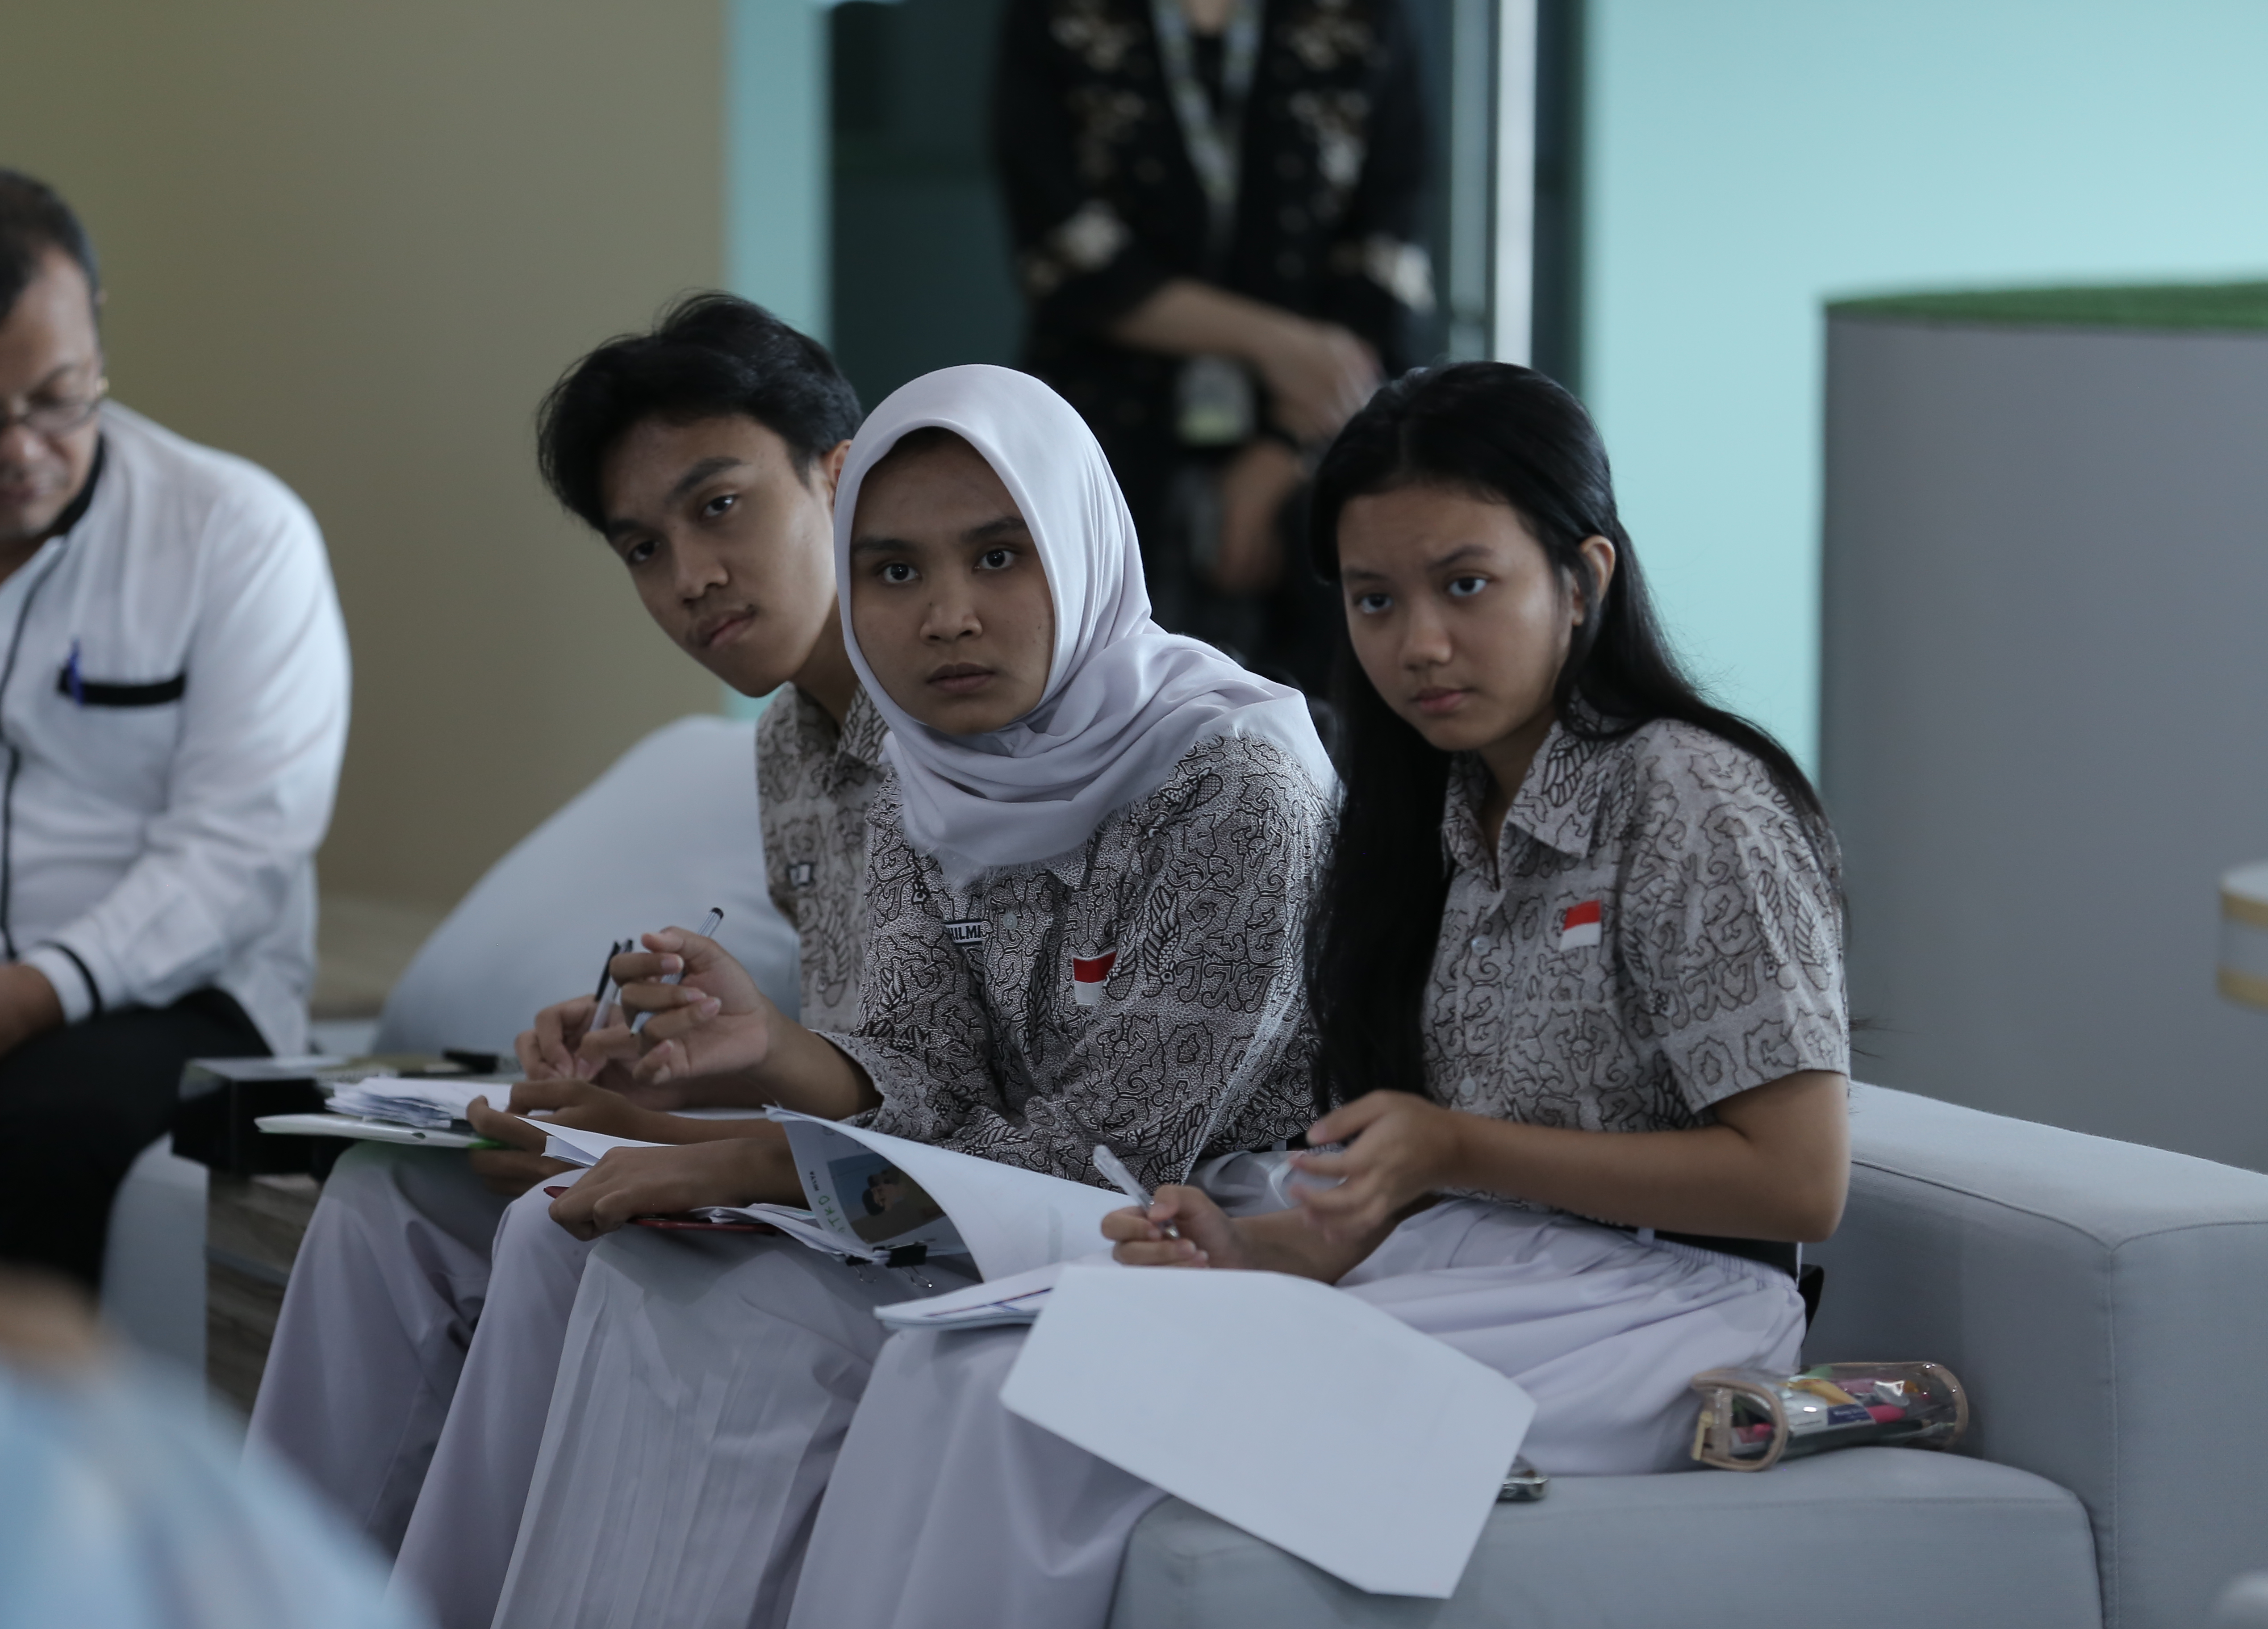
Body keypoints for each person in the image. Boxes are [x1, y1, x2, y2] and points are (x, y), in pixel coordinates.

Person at [787, 361, 1852, 1628]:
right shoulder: (1432, 813)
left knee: (1041, 1406)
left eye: (1466, 585)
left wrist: (1454, 1147)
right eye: (1375, 599)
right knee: (950, 1369)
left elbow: (1799, 1184)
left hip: (1663, 1312)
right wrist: (1252, 1248)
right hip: (1468, 1265)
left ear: (1583, 580)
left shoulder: (1691, 794)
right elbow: (1406, 1196)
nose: (1420, 643)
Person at [477, 363, 1335, 1629]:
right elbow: (917, 1063)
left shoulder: (1235, 789)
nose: (946, 618)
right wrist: (740, 1076)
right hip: (985, 1209)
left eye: (999, 558)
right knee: (633, 1261)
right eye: (892, 571)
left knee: (759, 1318)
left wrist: (763, 1160)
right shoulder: (934, 770)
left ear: (1083, 544)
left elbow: (1108, 1157)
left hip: (1200, 1226)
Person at [246, 296, 873, 1596]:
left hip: (921, 1192)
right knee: (382, 1194)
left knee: (551, 1220)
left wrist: (676, 1129)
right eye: (643, 547)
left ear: (839, 473)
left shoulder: (972, 719)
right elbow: (850, 1049)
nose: (690, 577)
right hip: (834, 1152)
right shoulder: (790, 751)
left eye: (719, 506)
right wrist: (643, 1081)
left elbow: (945, 1089)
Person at [0, 169, 347, 1290]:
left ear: (95, 338)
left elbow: (242, 845)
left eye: (59, 398)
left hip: (164, 996)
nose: (19, 449)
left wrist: (49, 985)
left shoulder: (235, 536)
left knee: (39, 1135)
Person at [0, 913, 420, 1629]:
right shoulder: (139, 1494)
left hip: (148, 985)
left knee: (43, 1133)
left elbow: (229, 867)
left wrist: (52, 983)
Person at [994, 0, 1434, 690]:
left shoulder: (1362, 17)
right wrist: (1276, 344)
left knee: (1334, 691)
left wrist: (1283, 451)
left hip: (1320, 437)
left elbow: (1385, 263)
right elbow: (1065, 250)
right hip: (1107, 432)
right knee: (1104, 688)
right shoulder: (1056, 16)